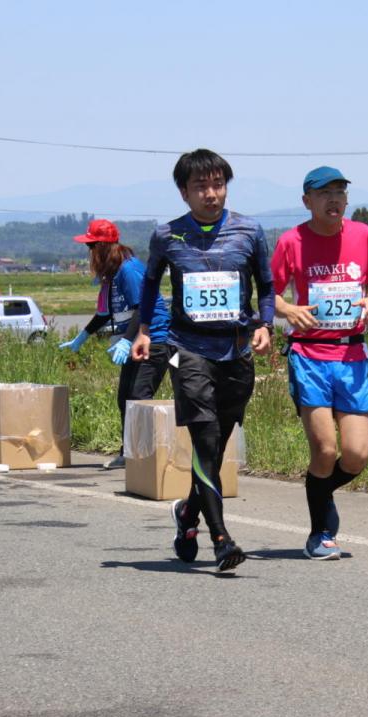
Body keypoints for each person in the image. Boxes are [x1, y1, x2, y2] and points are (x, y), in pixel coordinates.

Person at [131, 148, 274, 572]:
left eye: (218, 184)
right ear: (184, 192)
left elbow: (266, 286)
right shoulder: (167, 235)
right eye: (201, 187)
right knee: (205, 442)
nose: (211, 194)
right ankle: (221, 538)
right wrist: (142, 330)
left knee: (214, 448)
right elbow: (150, 285)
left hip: (236, 349)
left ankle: (187, 514)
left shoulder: (249, 231)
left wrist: (265, 324)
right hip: (189, 349)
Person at [272, 166, 368, 560]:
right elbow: (270, 296)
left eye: (340, 192)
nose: (334, 199)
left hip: (351, 355)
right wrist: (288, 309)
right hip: (308, 355)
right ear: (307, 201)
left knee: (356, 455)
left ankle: (320, 491)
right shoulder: (291, 241)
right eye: (324, 193)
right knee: (324, 448)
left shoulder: (363, 235)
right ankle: (320, 533)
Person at [63, 218, 171, 469]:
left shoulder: (128, 270)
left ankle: (143, 456)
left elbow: (140, 308)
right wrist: (82, 337)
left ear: (103, 246)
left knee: (138, 398)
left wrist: (124, 341)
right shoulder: (112, 275)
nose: (89, 253)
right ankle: (130, 452)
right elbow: (105, 313)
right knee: (125, 398)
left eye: (92, 247)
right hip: (134, 341)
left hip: (153, 340)